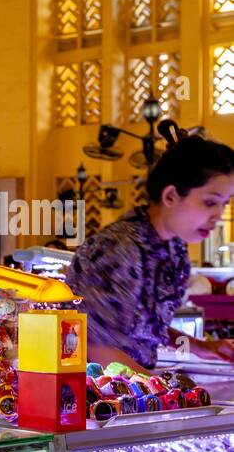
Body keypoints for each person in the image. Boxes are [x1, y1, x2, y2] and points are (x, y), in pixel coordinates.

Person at [69, 123, 234, 370]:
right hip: (95, 394)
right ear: (170, 196)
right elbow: (94, 346)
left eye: (224, 204)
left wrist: (202, 347)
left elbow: (148, 328)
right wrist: (161, 389)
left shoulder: (173, 249)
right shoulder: (118, 248)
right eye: (210, 202)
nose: (217, 216)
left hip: (134, 389)